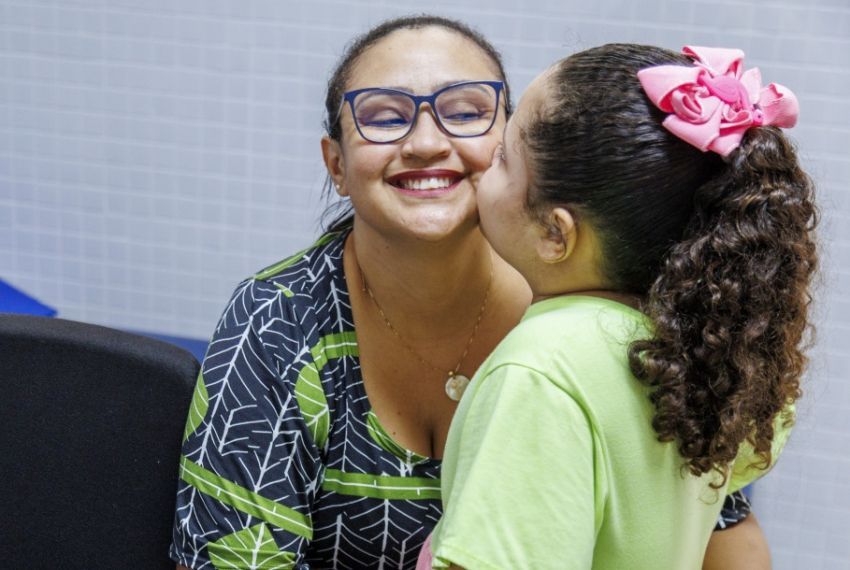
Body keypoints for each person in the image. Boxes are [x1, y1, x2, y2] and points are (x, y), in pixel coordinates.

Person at [169, 16, 776, 569]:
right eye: (383, 116)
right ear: (336, 163)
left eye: (464, 112)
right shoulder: (277, 317)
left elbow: (725, 538)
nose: (427, 142)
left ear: (515, 148)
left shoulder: (615, 323)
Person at [422, 43, 816, 569]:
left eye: (503, 159)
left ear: (554, 233)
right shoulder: (689, 354)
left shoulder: (542, 370)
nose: (485, 159)